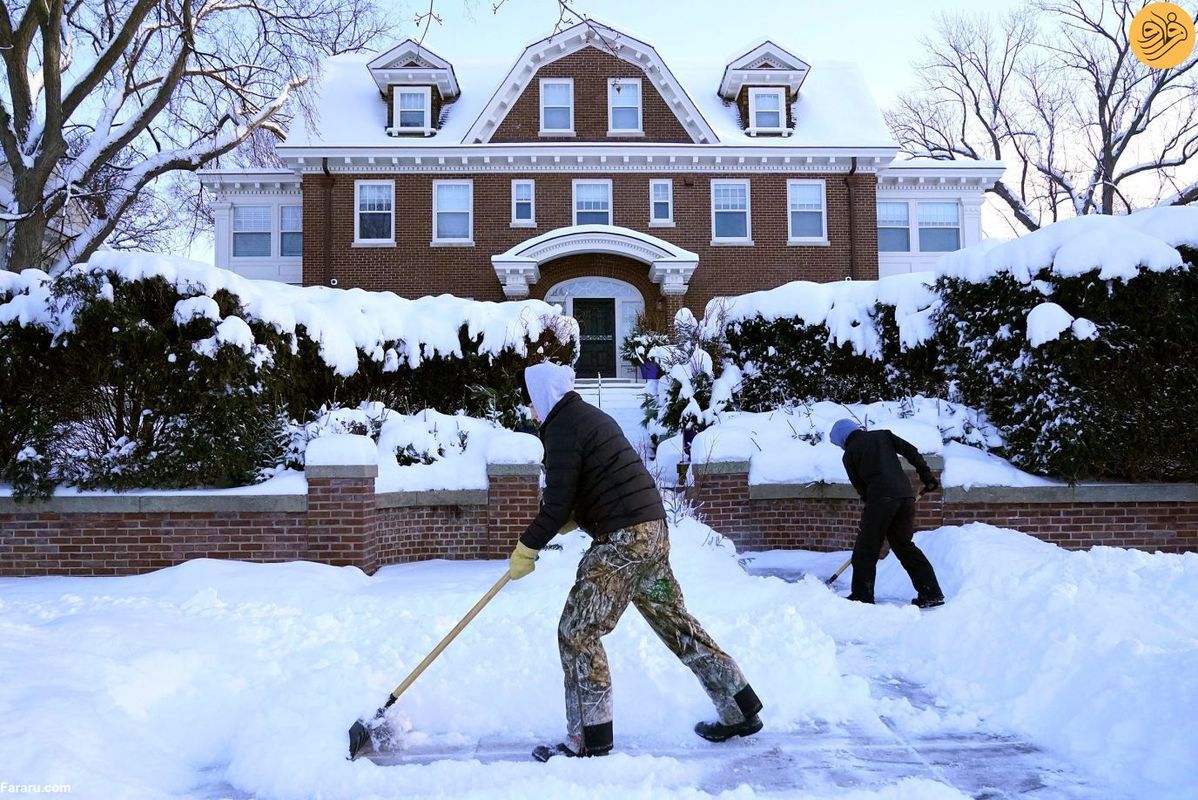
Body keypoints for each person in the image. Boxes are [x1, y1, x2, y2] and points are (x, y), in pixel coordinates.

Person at [508, 362, 763, 758]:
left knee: (577, 631)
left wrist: (527, 547)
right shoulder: (588, 417)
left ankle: (588, 739)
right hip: (652, 532)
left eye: (530, 403)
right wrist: (569, 519)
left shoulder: (561, 427)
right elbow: (596, 482)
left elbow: (557, 502)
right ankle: (740, 706)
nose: (530, 412)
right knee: (676, 624)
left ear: (543, 397)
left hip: (623, 541)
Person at [829, 419, 945, 609]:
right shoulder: (883, 435)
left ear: (843, 439)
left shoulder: (849, 454)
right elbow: (911, 451)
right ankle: (931, 592)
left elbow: (861, 487)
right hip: (905, 497)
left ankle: (862, 597)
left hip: (880, 499)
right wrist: (927, 477)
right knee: (905, 547)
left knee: (866, 550)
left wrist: (874, 513)